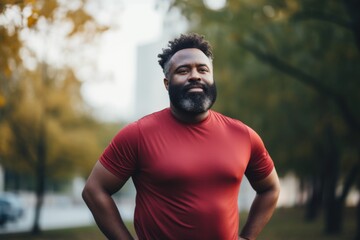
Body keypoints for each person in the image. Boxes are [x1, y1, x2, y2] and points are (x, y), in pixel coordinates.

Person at [82, 33, 280, 240]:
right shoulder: (138, 134)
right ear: (167, 83)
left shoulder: (244, 136)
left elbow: (270, 189)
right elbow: (94, 190)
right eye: (183, 70)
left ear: (212, 78)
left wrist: (248, 237)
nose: (195, 75)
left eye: (203, 69)